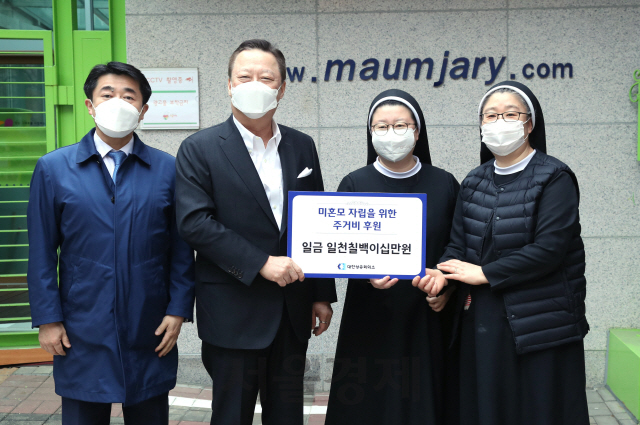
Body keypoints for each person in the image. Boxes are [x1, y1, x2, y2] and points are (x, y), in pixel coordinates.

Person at [175, 39, 337, 425]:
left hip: (292, 309)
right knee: (231, 415)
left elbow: (316, 219)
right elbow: (195, 223)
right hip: (233, 310)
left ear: (281, 89)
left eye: (267, 77)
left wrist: (321, 293)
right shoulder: (199, 148)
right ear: (229, 85)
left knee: (287, 416)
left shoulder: (301, 146)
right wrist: (261, 263)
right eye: (244, 76)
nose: (255, 84)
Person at [27, 61, 196, 425]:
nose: (117, 102)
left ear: (143, 110)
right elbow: (41, 250)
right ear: (90, 104)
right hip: (80, 323)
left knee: (149, 412)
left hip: (149, 322)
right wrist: (48, 318)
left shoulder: (167, 169)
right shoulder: (54, 168)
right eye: (107, 94)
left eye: (128, 95)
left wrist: (178, 309)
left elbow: (181, 248)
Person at [413, 81, 589, 425]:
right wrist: (443, 278)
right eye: (490, 116)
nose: (499, 122)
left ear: (529, 124)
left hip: (542, 322)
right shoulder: (474, 181)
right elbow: (458, 244)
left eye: (510, 114)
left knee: (539, 410)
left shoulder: (555, 177)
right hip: (484, 319)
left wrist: (485, 273)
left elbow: (550, 249)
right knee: (488, 408)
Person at [325, 89, 459, 425]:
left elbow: (458, 246)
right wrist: (363, 273)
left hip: (426, 313)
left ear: (417, 130)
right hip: (370, 313)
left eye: (401, 124)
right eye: (381, 126)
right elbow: (340, 246)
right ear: (370, 133)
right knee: (368, 398)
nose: (391, 133)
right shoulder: (354, 183)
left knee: (422, 399)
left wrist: (447, 287)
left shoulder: (444, 183)